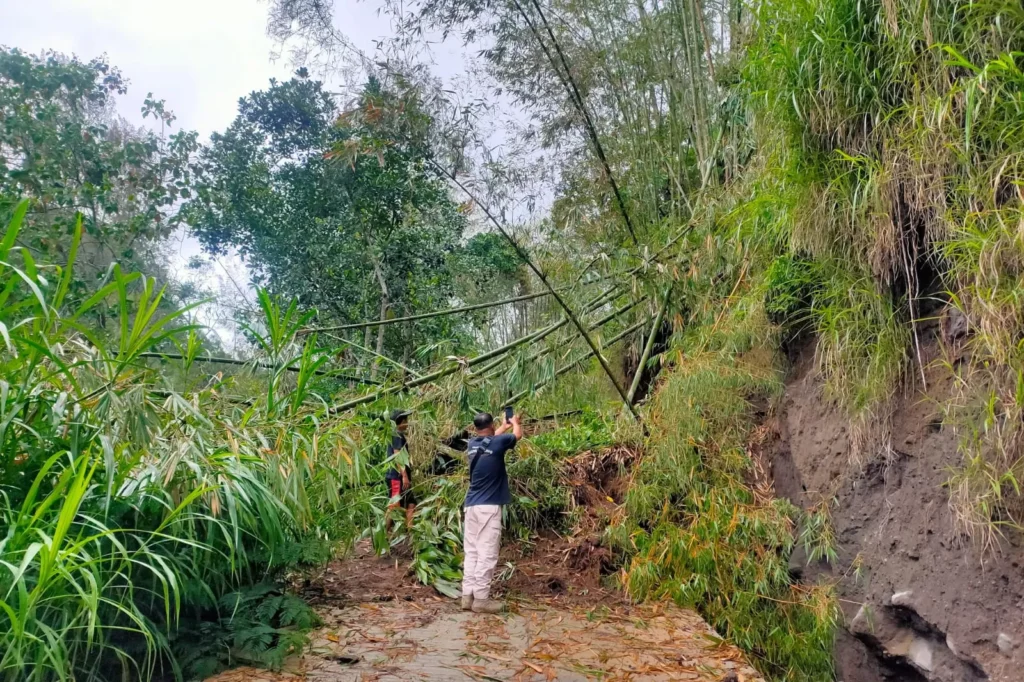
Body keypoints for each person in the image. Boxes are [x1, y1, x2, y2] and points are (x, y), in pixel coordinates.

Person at [461, 409, 523, 614]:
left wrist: (502, 427)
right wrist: (514, 423)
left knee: (471, 552)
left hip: (470, 506)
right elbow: (517, 436)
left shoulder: (471, 445)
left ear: (476, 428)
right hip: (489, 507)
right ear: (490, 426)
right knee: (487, 553)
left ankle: (466, 597)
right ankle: (481, 600)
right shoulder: (498, 443)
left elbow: (490, 441)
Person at [384, 409, 416, 534]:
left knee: (411, 503)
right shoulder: (397, 435)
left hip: (399, 476)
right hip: (396, 477)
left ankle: (411, 533)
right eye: (406, 420)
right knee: (394, 505)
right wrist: (404, 476)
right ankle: (383, 533)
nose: (407, 423)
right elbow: (397, 455)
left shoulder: (397, 435)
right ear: (401, 422)